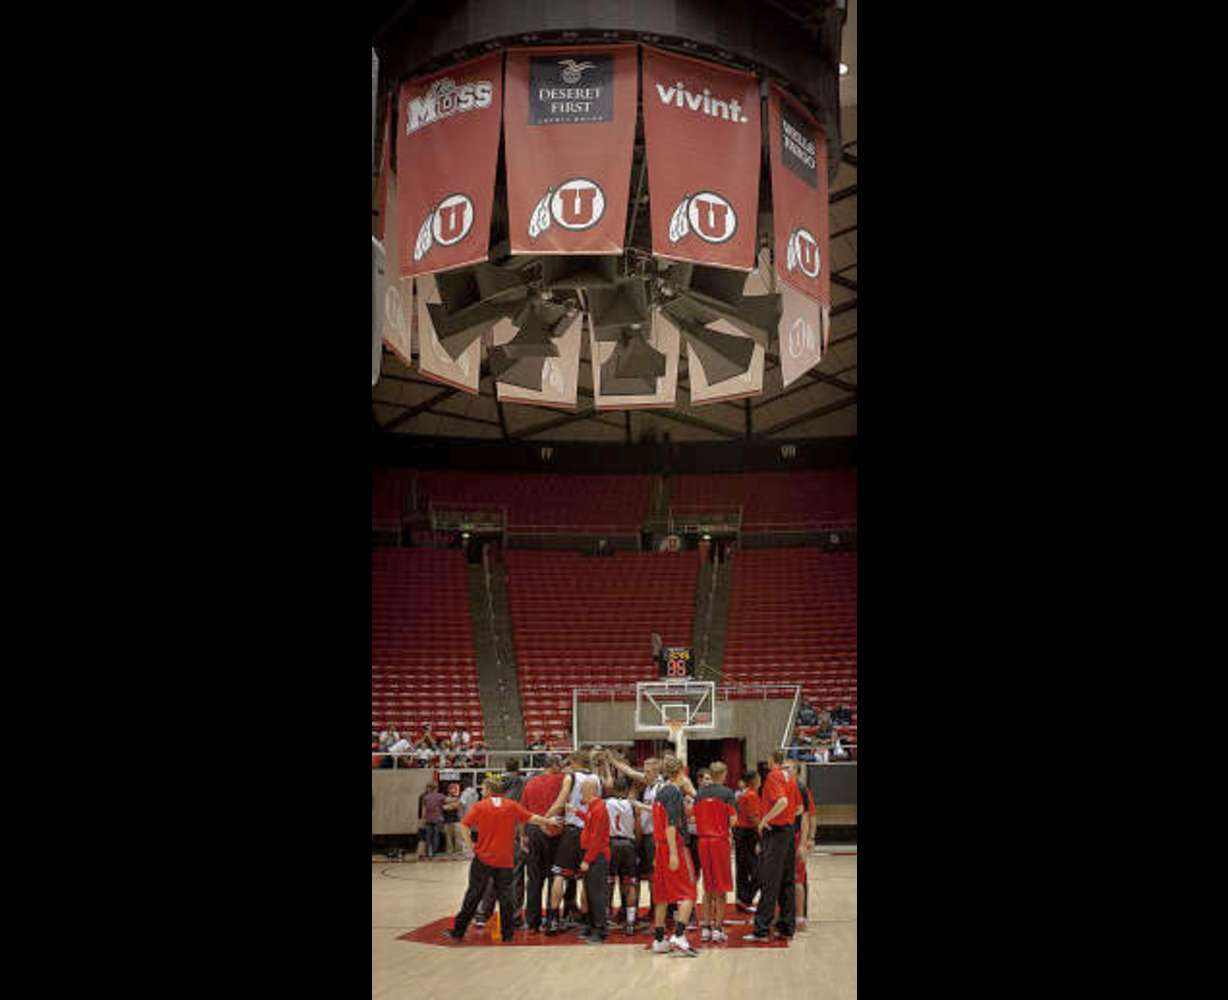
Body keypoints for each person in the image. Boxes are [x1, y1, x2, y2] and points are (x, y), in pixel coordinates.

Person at [442, 778, 562, 943]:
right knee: (506, 897)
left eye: (483, 789)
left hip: (483, 858)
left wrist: (471, 845)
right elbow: (532, 818)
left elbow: (464, 825)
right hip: (505, 859)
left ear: (489, 790)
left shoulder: (480, 806)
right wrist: (549, 821)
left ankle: (458, 931)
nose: (482, 792)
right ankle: (507, 934)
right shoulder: (511, 805)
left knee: (474, 894)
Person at [744, 749, 799, 942]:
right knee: (787, 881)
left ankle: (761, 929)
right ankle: (786, 926)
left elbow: (782, 801)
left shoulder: (774, 776)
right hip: (789, 833)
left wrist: (765, 819)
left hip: (776, 834)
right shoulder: (790, 778)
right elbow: (798, 807)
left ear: (771, 760)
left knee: (769, 881)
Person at [649, 757, 700, 957]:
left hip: (660, 847)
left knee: (661, 896)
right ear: (682, 772)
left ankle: (659, 939)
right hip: (674, 846)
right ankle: (679, 936)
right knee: (689, 892)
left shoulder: (660, 791)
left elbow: (658, 823)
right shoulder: (674, 793)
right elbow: (670, 825)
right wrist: (673, 853)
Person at [545, 750, 595, 935]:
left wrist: (545, 818)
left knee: (559, 874)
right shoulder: (595, 779)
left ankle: (553, 919)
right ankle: (586, 919)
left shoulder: (571, 778)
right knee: (586, 878)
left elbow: (559, 803)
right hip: (589, 831)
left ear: (574, 762)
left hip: (573, 831)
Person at [519, 753, 567, 932]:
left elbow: (522, 813)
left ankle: (532, 922)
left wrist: (523, 836)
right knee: (555, 876)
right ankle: (551, 920)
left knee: (534, 879)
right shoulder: (563, 780)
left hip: (533, 830)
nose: (562, 767)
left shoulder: (530, 783)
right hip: (555, 829)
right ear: (554, 765)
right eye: (560, 764)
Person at [693, 761, 738, 943]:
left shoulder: (700, 794)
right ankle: (718, 928)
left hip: (703, 842)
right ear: (724, 774)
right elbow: (733, 820)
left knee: (707, 885)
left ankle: (705, 927)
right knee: (721, 887)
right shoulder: (727, 794)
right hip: (719, 842)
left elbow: (694, 818)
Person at [576, 777, 611, 944]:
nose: (581, 792)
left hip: (597, 856)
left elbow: (597, 837)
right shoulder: (593, 807)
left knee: (596, 895)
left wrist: (588, 860)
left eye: (583, 789)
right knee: (590, 893)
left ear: (591, 790)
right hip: (592, 855)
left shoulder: (599, 808)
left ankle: (600, 930)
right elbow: (590, 823)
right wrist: (576, 813)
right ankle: (592, 925)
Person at [604, 776, 639, 936]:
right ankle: (630, 922)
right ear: (626, 790)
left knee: (609, 882)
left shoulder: (606, 803)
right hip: (628, 844)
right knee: (630, 883)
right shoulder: (632, 804)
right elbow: (637, 827)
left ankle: (606, 918)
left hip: (611, 843)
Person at [787, 760, 816, 929]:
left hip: (798, 837)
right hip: (785, 838)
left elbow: (810, 816)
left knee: (799, 878)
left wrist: (808, 839)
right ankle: (789, 914)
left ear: (796, 772)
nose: (784, 770)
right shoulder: (783, 788)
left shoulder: (802, 790)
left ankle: (800, 916)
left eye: (788, 768)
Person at [734, 769, 763, 911]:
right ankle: (745, 898)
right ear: (753, 780)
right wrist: (762, 830)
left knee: (743, 868)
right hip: (748, 833)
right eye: (758, 777)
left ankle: (742, 899)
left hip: (742, 832)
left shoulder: (745, 794)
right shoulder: (750, 795)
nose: (760, 780)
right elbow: (753, 817)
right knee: (757, 870)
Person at [420, 782, 446, 860]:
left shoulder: (425, 797)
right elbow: (447, 801)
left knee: (428, 837)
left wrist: (422, 819)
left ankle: (428, 852)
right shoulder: (440, 796)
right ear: (436, 788)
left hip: (428, 819)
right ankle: (434, 853)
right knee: (436, 836)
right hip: (437, 819)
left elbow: (424, 809)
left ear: (429, 788)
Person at [443, 784, 463, 858]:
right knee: (448, 837)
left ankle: (458, 851)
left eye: (454, 789)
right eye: (451, 789)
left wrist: (449, 805)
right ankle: (449, 851)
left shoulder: (458, 798)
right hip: (447, 821)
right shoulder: (444, 798)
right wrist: (452, 805)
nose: (453, 790)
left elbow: (457, 805)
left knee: (458, 837)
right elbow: (443, 807)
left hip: (457, 820)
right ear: (448, 790)